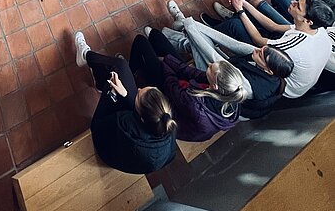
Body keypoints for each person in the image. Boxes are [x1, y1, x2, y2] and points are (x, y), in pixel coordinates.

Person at [104, 30, 247, 142]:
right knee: (156, 36)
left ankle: (131, 69)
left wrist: (163, 62)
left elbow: (169, 83)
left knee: (140, 42)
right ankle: (150, 53)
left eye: (210, 69)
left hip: (170, 102)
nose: (208, 65)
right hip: (183, 91)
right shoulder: (229, 91)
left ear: (215, 86)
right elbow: (192, 73)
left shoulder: (194, 103)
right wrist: (167, 59)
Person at [158, 5, 294, 119]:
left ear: (268, 70)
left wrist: (190, 26)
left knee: (202, 52)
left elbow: (215, 60)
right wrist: (192, 24)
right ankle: (178, 31)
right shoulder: (264, 58)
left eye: (261, 54)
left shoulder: (251, 87)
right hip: (231, 72)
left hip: (225, 96)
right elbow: (233, 44)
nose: (258, 50)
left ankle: (177, 32)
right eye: (262, 49)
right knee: (198, 41)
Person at [200, 0, 333, 99]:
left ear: (308, 21)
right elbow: (273, 26)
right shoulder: (318, 30)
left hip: (279, 84)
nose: (292, 2)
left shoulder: (293, 47)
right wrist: (244, 4)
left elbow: (259, 41)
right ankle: (223, 26)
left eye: (297, 6)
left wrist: (240, 11)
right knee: (249, 20)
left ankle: (204, 34)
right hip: (285, 63)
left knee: (235, 25)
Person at [74, 32, 177, 174]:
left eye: (138, 93)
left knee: (116, 74)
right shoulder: (167, 125)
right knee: (118, 76)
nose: (138, 88)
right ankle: (90, 64)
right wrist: (126, 94)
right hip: (133, 150)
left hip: (106, 144)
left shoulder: (124, 123)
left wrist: (115, 95)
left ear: (140, 116)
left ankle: (86, 56)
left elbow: (98, 124)